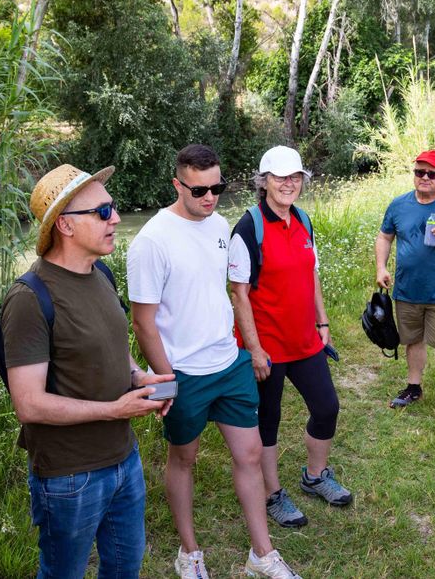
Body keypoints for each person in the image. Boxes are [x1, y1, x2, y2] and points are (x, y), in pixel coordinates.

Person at [128, 145, 300, 579]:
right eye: (200, 189)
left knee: (250, 452)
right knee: (183, 458)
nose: (210, 198)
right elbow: (143, 322)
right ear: (177, 185)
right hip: (183, 373)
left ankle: (262, 555)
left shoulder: (221, 225)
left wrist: (246, 347)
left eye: (217, 188)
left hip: (228, 361)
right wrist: (165, 381)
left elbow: (228, 291)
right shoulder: (151, 241)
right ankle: (189, 554)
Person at [2, 164, 174, 579]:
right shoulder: (29, 298)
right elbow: (28, 404)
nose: (115, 218)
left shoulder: (101, 274)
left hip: (123, 459)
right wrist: (113, 411)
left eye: (112, 208)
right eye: (102, 212)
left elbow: (113, 348)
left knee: (124, 567)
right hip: (68, 477)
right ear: (65, 224)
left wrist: (138, 377)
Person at [229, 146, 350, 540]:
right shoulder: (248, 228)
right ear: (263, 181)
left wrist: (323, 320)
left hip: (304, 340)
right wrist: (254, 348)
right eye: (280, 177)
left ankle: (315, 477)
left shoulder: (303, 220)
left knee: (327, 407)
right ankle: (272, 493)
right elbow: (239, 292)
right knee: (269, 421)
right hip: (265, 347)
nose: (288, 184)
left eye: (295, 176)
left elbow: (311, 273)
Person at [375, 149, 435, 421]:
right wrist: (381, 267)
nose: (425, 178)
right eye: (420, 172)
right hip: (407, 291)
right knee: (412, 341)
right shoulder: (399, 205)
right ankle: (413, 387)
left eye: (432, 173)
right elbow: (385, 237)